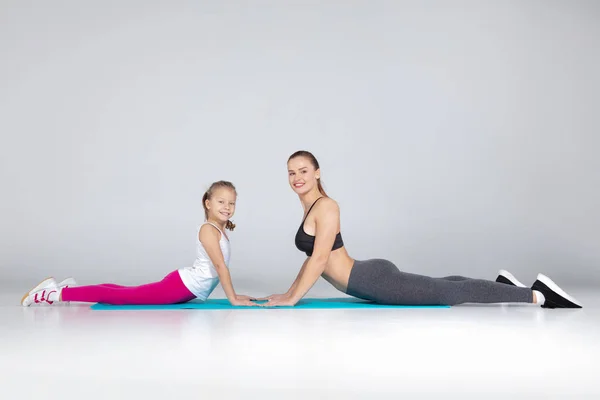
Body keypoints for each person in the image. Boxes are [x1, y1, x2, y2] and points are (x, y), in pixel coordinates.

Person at [259, 151, 582, 309]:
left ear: (317, 173)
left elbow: (318, 261)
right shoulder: (310, 206)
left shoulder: (327, 206)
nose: (296, 177)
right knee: (441, 284)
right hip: (367, 274)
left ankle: (539, 295)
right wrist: (289, 293)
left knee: (446, 294)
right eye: (291, 173)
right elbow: (311, 257)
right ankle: (504, 285)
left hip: (371, 280)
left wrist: (291, 301)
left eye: (303, 171)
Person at [21, 180, 257, 307]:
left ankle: (66, 288)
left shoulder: (218, 230)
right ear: (208, 203)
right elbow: (220, 267)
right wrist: (233, 299)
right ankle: (54, 294)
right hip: (182, 286)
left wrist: (235, 295)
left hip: (183, 285)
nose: (227, 207)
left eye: (231, 203)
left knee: (125, 292)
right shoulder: (208, 230)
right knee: (122, 298)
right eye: (221, 201)